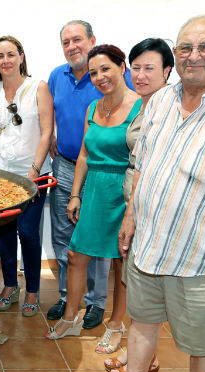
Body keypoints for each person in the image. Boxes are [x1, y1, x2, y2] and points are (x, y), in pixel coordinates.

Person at [120, 14, 205, 372]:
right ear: (175, 53)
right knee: (140, 326)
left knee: (203, 348)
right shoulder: (158, 101)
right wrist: (131, 217)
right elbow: (143, 163)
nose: (194, 55)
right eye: (186, 47)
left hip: (203, 262)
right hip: (147, 250)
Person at [45, 44, 141, 339]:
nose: (100, 77)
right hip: (94, 189)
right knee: (76, 255)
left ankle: (115, 324)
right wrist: (75, 195)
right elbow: (85, 154)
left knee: (120, 262)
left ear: (122, 68)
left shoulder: (142, 107)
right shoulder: (93, 107)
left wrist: (134, 207)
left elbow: (143, 161)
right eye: (94, 72)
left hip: (124, 191)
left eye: (105, 69)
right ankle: (71, 317)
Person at [102, 38, 173, 372]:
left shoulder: (169, 108)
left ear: (167, 71)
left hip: (151, 208)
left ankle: (147, 360)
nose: (141, 75)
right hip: (134, 200)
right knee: (137, 282)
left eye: (150, 68)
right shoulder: (146, 105)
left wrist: (133, 211)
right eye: (137, 68)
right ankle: (139, 358)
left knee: (148, 288)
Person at [0, 35, 53, 316]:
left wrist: (34, 170)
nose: (6, 60)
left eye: (11, 54)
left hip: (33, 175)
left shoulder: (39, 87)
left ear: (21, 57)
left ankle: (32, 289)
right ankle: (10, 285)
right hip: (1, 175)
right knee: (6, 230)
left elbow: (47, 132)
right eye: (0, 56)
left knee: (28, 232)